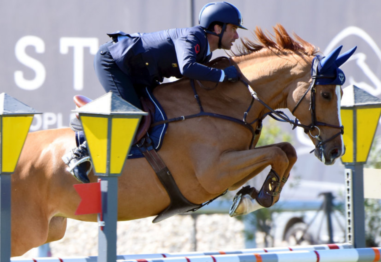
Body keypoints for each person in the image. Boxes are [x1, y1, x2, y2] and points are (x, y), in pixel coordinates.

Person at [64, 1, 247, 183]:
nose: (237, 35)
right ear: (217, 28)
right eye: (233, 28)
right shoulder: (193, 37)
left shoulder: (205, 52)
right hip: (113, 63)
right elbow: (187, 67)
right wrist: (223, 75)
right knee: (131, 115)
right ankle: (79, 153)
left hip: (137, 73)